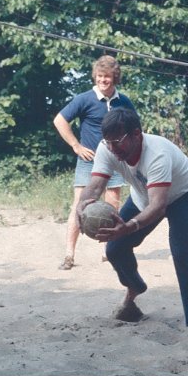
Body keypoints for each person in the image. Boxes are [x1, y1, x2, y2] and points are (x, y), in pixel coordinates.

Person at [77, 108, 188, 327]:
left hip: (183, 195)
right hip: (144, 196)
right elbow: (96, 185)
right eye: (108, 142)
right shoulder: (107, 148)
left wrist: (129, 226)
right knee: (115, 249)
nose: (112, 148)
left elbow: (158, 206)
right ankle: (135, 287)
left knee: (181, 253)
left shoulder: (157, 154)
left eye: (117, 141)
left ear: (136, 134)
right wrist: (81, 205)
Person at [53, 55, 136, 270]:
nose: (103, 80)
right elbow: (59, 120)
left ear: (114, 78)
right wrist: (76, 146)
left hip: (116, 160)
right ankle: (69, 255)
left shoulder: (124, 101)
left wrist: (129, 154)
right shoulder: (84, 99)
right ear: (95, 76)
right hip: (89, 161)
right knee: (79, 205)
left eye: (107, 77)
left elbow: (135, 129)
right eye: (100, 76)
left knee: (112, 207)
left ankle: (107, 253)